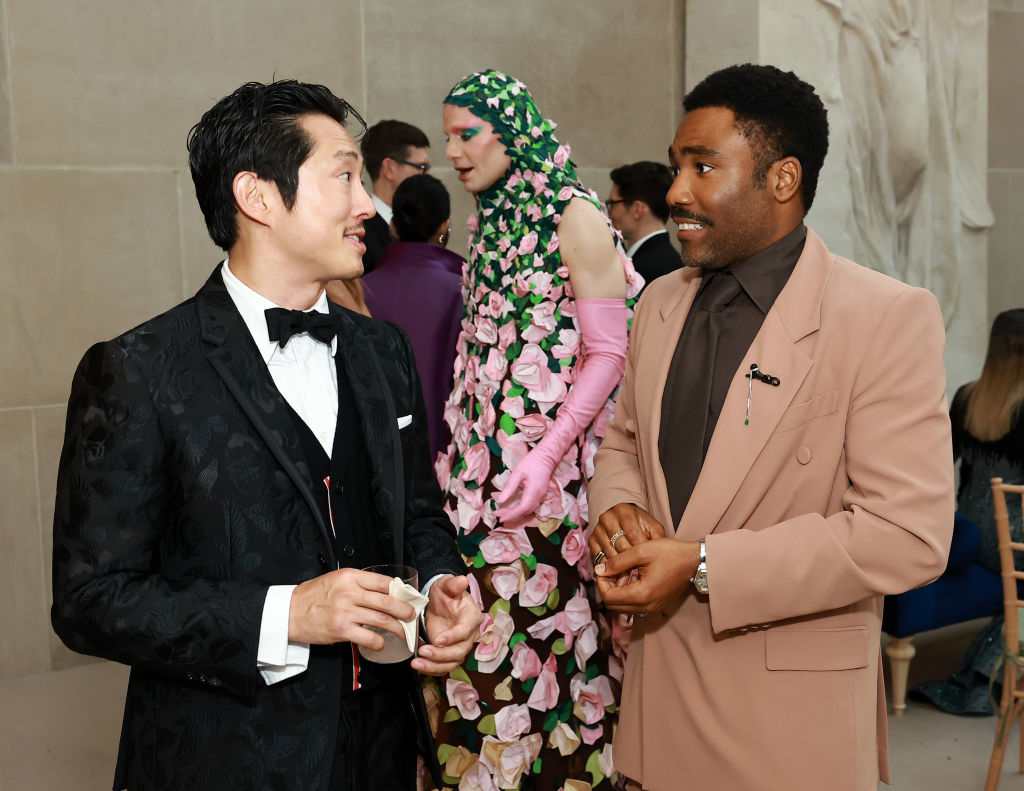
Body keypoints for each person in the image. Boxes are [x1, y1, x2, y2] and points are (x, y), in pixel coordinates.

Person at [50, 79, 481, 791]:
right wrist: (288, 613)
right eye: (343, 176)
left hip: (381, 747)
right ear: (257, 198)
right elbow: (91, 600)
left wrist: (439, 583)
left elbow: (417, 512)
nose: (366, 204)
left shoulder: (384, 352)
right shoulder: (138, 370)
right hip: (224, 756)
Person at [586, 63, 953, 791]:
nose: (675, 192)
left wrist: (700, 564)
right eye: (674, 166)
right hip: (657, 709)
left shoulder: (881, 315)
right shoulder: (660, 301)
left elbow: (906, 533)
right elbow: (625, 438)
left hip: (787, 727)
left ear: (781, 180)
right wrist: (619, 509)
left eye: (702, 166)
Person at [429, 69, 642, 790]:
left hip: (542, 487)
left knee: (541, 650)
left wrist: (546, 453)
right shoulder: (488, 218)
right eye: (448, 137)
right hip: (480, 479)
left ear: (512, 132)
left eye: (469, 134)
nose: (454, 152)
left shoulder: (574, 213)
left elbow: (610, 352)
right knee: (478, 656)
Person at [912, 308, 1024, 715]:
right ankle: (977, 679)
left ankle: (979, 679)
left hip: (972, 531)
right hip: (1016, 534)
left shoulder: (965, 397)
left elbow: (944, 466)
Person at [363, 173, 465, 461]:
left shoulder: (358, 291)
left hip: (373, 453)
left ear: (393, 225)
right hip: (446, 453)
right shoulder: (463, 290)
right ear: (445, 226)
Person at [360, 119, 432, 273]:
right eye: (422, 167)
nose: (428, 176)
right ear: (390, 169)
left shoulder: (420, 228)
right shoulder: (361, 236)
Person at [606, 161, 680, 292]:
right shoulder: (671, 260)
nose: (609, 212)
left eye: (613, 203)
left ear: (637, 209)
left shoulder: (643, 271)